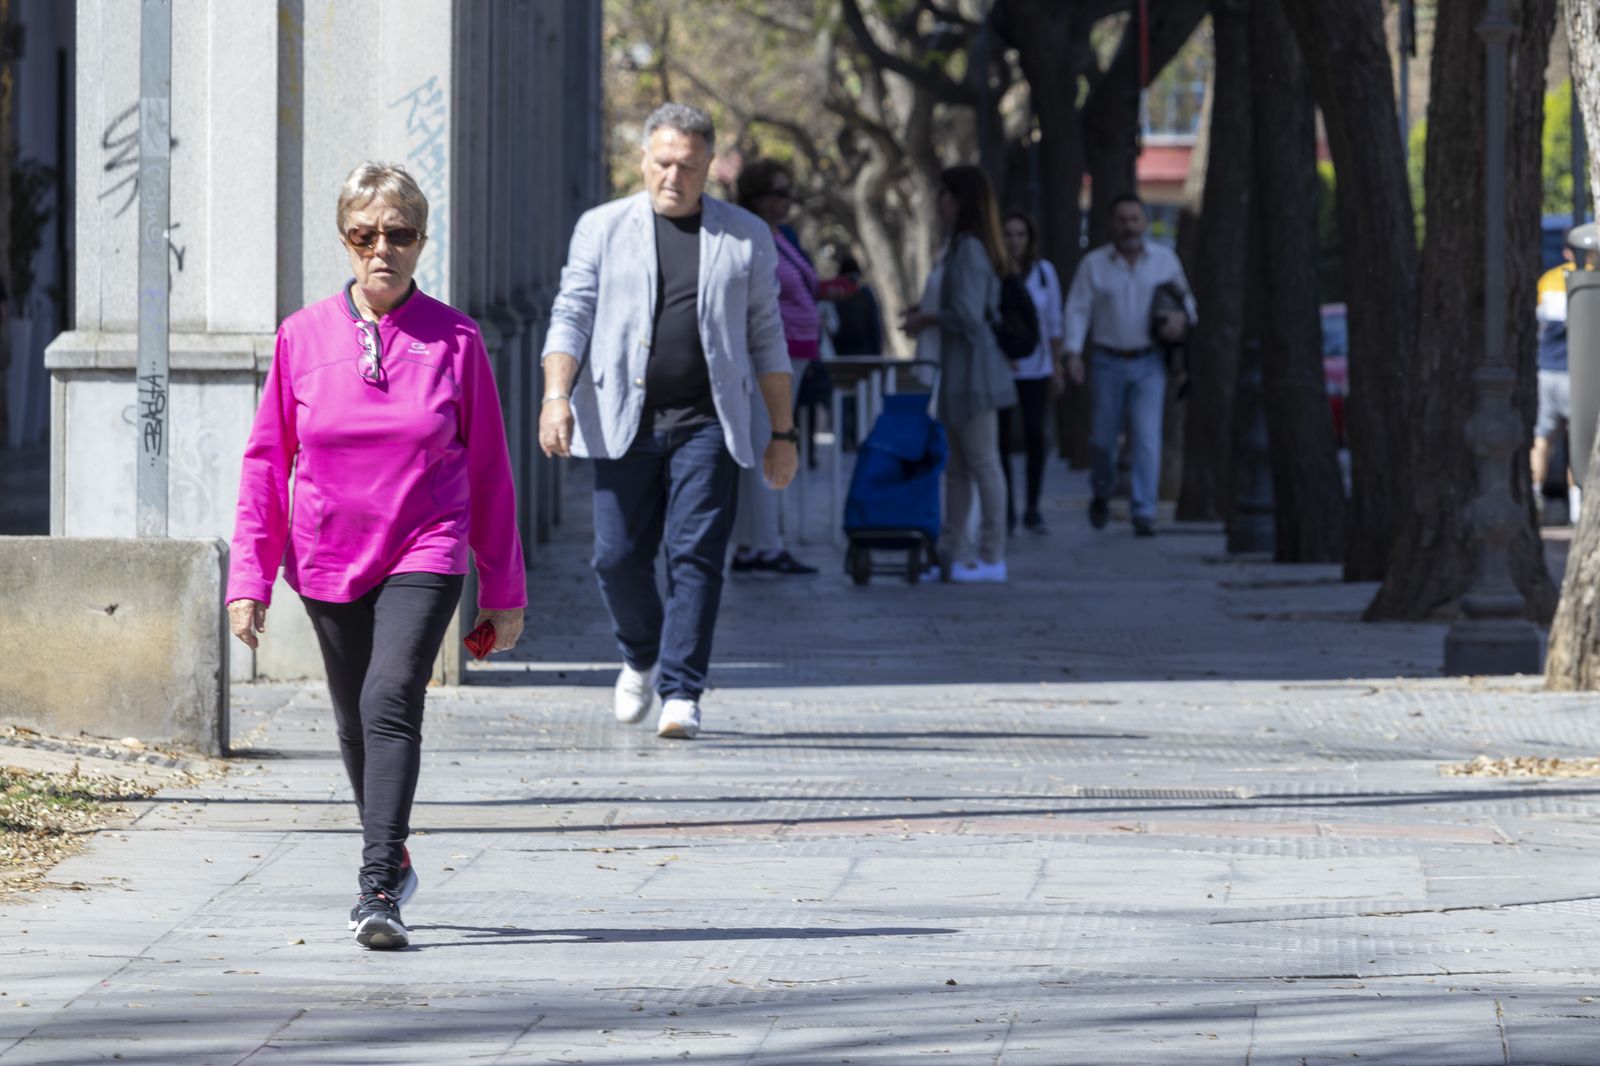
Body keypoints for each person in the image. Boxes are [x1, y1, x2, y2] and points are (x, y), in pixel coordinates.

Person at [225, 162, 527, 951]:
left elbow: (490, 467)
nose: (381, 249)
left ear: (423, 241)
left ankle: (377, 890)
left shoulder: (456, 339)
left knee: (392, 697)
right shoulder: (302, 335)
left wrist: (504, 588)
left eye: (398, 234)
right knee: (356, 717)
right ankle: (391, 849)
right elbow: (267, 461)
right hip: (326, 553)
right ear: (345, 241)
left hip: (425, 545)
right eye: (365, 235)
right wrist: (248, 577)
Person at [538, 103, 797, 741]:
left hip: (710, 421)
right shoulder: (601, 228)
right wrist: (555, 395)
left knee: (696, 557)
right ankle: (640, 652)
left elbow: (767, 334)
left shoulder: (744, 236)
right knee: (616, 557)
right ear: (643, 160)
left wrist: (782, 432)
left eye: (687, 164)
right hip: (624, 419)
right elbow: (571, 313)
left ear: (709, 165)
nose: (672, 176)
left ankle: (682, 689)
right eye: (662, 162)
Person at [903, 165, 1018, 583]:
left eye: (945, 194)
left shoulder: (969, 249)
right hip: (954, 372)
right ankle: (951, 552)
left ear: (960, 199)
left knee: (983, 462)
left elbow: (969, 316)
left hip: (973, 372)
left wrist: (928, 320)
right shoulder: (957, 246)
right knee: (958, 467)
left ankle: (992, 555)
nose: (941, 202)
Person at [1062, 193, 1195, 537]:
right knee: (1103, 440)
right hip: (1107, 359)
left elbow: (1188, 305)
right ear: (1111, 224)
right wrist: (1072, 352)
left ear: (1144, 222)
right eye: (1122, 219)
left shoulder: (1164, 261)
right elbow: (1078, 309)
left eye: (1135, 219)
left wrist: (1179, 322)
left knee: (1147, 438)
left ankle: (1144, 512)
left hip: (1149, 361)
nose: (1129, 226)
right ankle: (1102, 491)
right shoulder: (1094, 264)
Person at [727, 159, 820, 576]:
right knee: (770, 444)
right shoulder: (747, 233)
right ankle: (765, 546)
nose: (785, 203)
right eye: (777, 194)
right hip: (765, 357)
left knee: (770, 442)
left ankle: (752, 544)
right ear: (756, 196)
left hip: (794, 354)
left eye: (788, 194)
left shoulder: (783, 237)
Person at [999, 211, 1064, 534]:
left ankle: (1033, 507)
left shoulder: (1043, 273)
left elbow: (1053, 321)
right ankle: (1006, 508)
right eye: (1008, 234)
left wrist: (1057, 366)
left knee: (1036, 435)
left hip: (1037, 368)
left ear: (1030, 238)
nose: (1014, 241)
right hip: (1001, 368)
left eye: (1020, 234)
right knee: (1001, 441)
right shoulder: (994, 274)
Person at [1531, 224, 1597, 503]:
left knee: (1542, 439)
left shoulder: (1547, 280)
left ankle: (1535, 496)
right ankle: (1576, 504)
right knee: (1578, 441)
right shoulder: (1591, 279)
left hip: (1546, 371)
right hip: (1577, 375)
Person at [829, 253, 884, 357]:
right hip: (861, 351)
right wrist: (877, 353)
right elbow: (874, 324)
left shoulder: (835, 296)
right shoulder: (866, 294)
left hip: (843, 352)